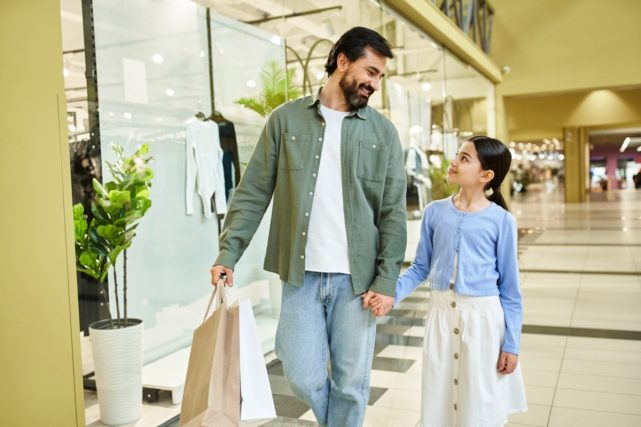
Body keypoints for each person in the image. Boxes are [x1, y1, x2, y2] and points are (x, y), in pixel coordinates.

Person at [210, 27, 407, 427]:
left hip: (358, 281)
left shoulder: (382, 133)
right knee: (301, 373)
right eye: (370, 71)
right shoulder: (285, 121)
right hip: (300, 275)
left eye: (380, 77)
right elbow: (252, 193)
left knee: (352, 384)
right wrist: (228, 253)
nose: (374, 83)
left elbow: (392, 213)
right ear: (342, 62)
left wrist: (387, 280)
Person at [367, 136, 528, 426]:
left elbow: (510, 290)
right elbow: (419, 268)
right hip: (440, 316)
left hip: (483, 323)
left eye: (464, 158)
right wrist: (390, 294)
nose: (453, 161)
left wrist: (512, 345)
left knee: (479, 401)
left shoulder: (501, 221)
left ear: (486, 175)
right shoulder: (435, 212)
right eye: (458, 154)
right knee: (440, 396)